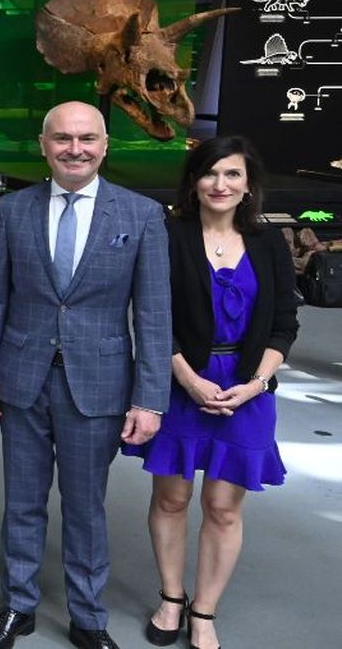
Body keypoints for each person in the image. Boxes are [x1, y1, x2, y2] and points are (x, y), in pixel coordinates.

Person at [0, 101, 169, 649]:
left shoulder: (141, 215)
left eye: (86, 138)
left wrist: (150, 398)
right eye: (62, 138)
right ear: (43, 145)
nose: (74, 149)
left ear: (105, 146)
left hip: (99, 386)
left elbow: (153, 316)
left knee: (85, 507)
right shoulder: (14, 210)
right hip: (21, 376)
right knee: (23, 502)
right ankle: (19, 606)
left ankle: (87, 616)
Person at [123, 136, 296, 649]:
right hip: (180, 381)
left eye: (233, 175)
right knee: (172, 498)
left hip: (248, 386)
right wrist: (190, 380)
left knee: (224, 506)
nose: (220, 185)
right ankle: (171, 598)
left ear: (248, 186)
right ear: (193, 182)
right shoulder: (169, 234)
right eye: (209, 174)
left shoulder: (269, 242)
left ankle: (205, 610)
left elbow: (285, 325)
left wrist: (255, 384)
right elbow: (152, 316)